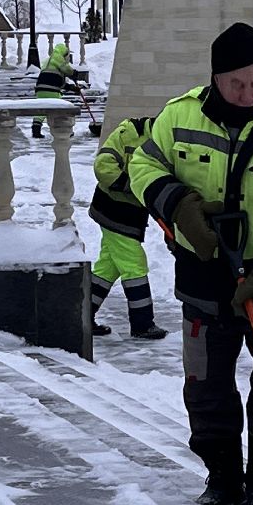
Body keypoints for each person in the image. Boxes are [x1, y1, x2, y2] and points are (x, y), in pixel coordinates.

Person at [128, 21, 253, 505]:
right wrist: (179, 206)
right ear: (215, 78)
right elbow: (142, 166)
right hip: (204, 285)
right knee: (206, 386)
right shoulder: (179, 117)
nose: (248, 93)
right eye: (236, 83)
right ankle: (221, 477)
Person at [88, 116, 168, 341]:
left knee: (108, 267)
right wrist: (134, 187)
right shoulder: (129, 132)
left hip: (132, 215)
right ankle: (142, 323)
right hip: (113, 210)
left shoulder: (167, 143)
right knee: (135, 266)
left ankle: (82, 316)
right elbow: (103, 166)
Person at [32, 41, 74, 139]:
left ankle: (36, 129)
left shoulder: (48, 60)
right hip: (52, 90)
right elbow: (67, 70)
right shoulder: (58, 58)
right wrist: (73, 73)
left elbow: (55, 79)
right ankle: (65, 130)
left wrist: (70, 87)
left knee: (41, 109)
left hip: (40, 88)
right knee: (61, 109)